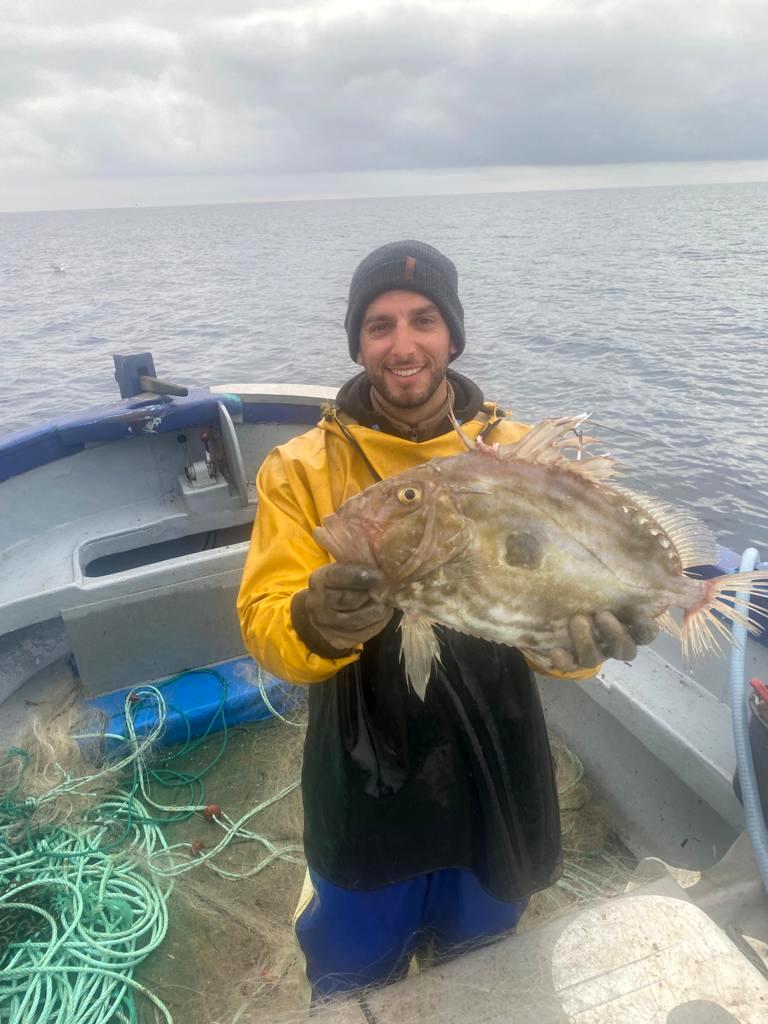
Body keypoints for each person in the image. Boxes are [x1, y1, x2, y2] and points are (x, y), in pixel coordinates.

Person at [237, 240, 658, 1003]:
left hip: (499, 765)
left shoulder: (515, 457)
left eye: (423, 320)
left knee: (482, 968)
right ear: (359, 343)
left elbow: (557, 622)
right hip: (363, 771)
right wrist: (313, 619)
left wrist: (585, 649)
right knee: (353, 974)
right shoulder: (300, 468)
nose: (403, 345)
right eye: (379, 325)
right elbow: (266, 623)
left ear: (452, 335)